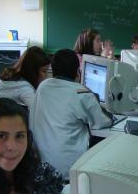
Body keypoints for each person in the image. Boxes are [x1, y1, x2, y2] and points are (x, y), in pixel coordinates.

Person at [31, 49, 113, 178]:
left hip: (41, 165)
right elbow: (102, 122)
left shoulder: (43, 86)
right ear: (77, 72)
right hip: (68, 170)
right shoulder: (81, 93)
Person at [0, 46, 51, 111]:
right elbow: (38, 112)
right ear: (33, 71)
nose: (46, 76)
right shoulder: (23, 88)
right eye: (44, 71)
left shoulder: (13, 79)